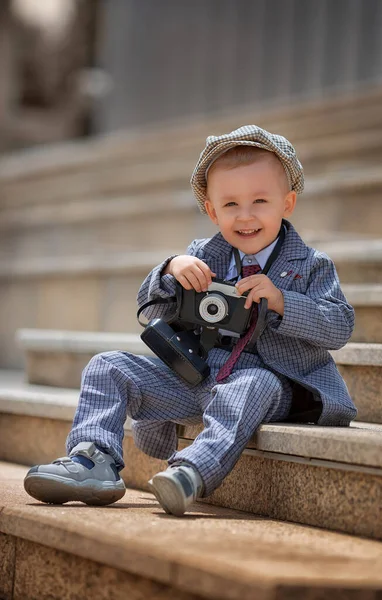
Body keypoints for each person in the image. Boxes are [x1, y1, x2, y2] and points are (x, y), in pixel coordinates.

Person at [24, 125, 357, 516]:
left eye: (260, 201)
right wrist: (170, 270)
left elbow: (339, 325)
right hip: (196, 377)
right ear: (212, 211)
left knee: (253, 382)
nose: (245, 216)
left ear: (287, 204)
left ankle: (189, 472)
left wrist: (284, 302)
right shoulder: (202, 255)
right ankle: (93, 459)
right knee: (106, 365)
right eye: (230, 205)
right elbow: (150, 309)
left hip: (274, 383)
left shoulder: (312, 265)